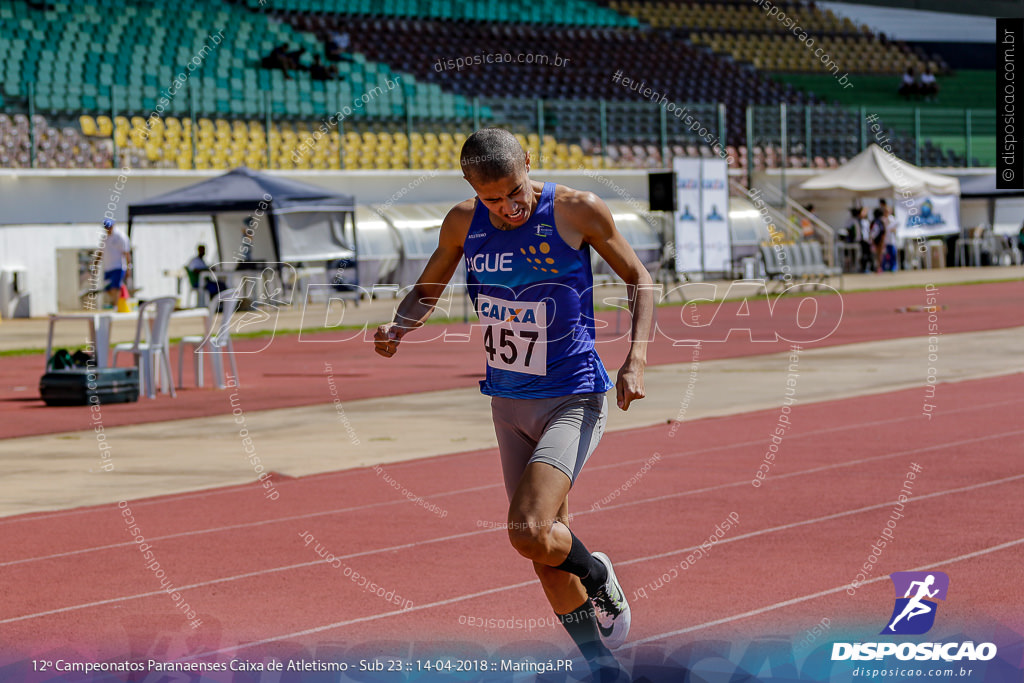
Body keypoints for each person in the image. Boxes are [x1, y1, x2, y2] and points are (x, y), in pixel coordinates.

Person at [373, 128, 653, 680]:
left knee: (527, 529)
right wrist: (399, 325)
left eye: (514, 191)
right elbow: (427, 289)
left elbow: (640, 278)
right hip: (506, 403)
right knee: (543, 551)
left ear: (529, 163)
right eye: (492, 199)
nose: (508, 207)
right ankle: (603, 668)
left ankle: (597, 574)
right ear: (473, 190)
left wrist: (635, 358)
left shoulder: (577, 210)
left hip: (572, 395)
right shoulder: (462, 222)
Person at [99, 218, 131, 307]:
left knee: (115, 287)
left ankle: (116, 305)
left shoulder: (120, 236)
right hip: (108, 267)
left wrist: (129, 267)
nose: (108, 229)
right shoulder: (105, 238)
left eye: (109, 227)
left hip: (118, 266)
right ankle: (118, 301)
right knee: (107, 288)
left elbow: (126, 252)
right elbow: (101, 252)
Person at [869, 208, 887, 273]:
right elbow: (883, 231)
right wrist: (882, 240)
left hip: (874, 239)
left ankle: (877, 267)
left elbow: (870, 231)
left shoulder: (873, 221)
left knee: (876, 254)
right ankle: (879, 267)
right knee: (879, 254)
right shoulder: (880, 222)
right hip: (879, 239)